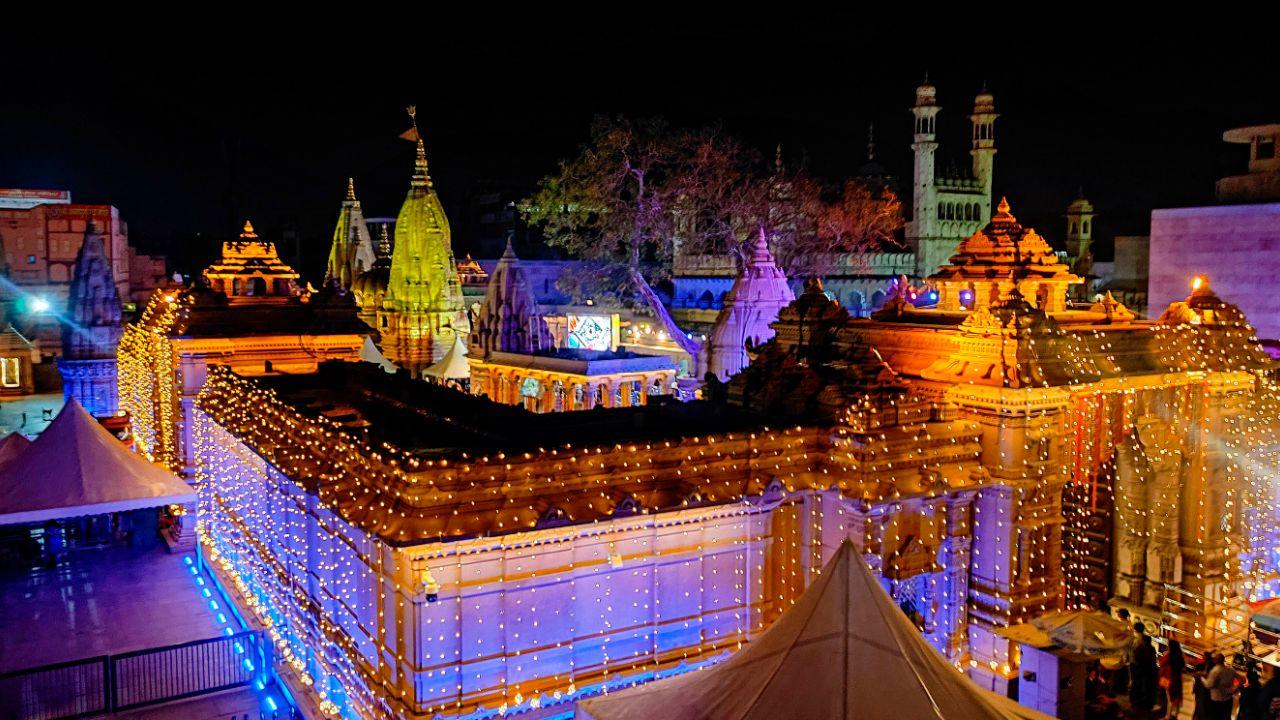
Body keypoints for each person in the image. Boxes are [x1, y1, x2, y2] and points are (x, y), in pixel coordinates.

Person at [1131, 625, 1159, 714]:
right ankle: (1147, 704)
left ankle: (1139, 704)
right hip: (1149, 673)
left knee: (1139, 687)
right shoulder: (1152, 649)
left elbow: (1136, 660)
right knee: (1148, 689)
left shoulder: (1140, 649)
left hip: (1141, 672)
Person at [1205, 652, 1238, 720]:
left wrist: (1202, 679)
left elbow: (1208, 685)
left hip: (1216, 700)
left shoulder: (1215, 671)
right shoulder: (1230, 670)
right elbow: (1242, 679)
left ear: (1216, 660)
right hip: (1228, 700)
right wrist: (1235, 688)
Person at [1160, 638, 1186, 720]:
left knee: (1170, 698)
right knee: (1177, 697)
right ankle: (1176, 714)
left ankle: (1168, 716)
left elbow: (1161, 663)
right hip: (1177, 678)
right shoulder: (1180, 655)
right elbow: (1183, 667)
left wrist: (1164, 654)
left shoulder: (1169, 655)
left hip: (1169, 678)